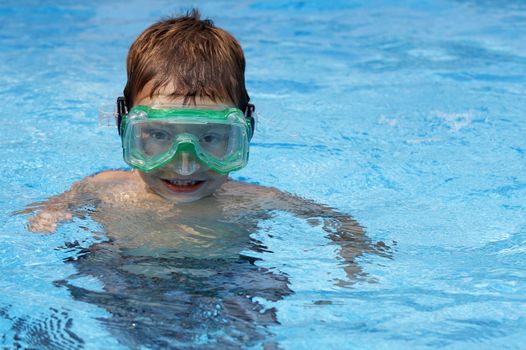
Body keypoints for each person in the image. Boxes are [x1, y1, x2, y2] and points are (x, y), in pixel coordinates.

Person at [18, 9, 389, 347]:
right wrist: (49, 216)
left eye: (210, 139)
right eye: (158, 135)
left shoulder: (254, 200)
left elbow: (337, 222)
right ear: (124, 126)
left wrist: (353, 258)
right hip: (123, 274)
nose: (184, 165)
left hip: (226, 282)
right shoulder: (106, 188)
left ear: (246, 130)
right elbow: (53, 208)